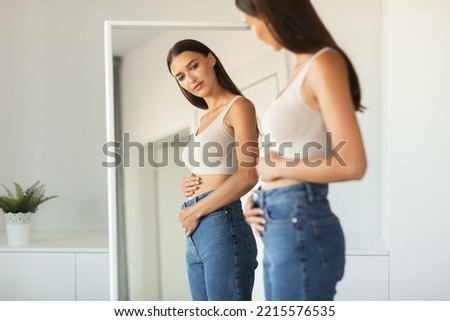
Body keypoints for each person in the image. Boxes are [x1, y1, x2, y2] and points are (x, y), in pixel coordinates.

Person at [231, 0, 368, 301]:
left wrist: (278, 169)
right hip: (279, 219)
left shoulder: (324, 62)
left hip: (299, 220)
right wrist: (260, 199)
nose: (252, 33)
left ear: (270, 12)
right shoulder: (300, 67)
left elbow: (353, 163)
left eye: (249, 24)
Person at [166, 39, 259, 301]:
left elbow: (248, 175)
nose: (190, 79)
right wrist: (190, 185)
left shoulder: (239, 106)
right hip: (196, 231)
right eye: (181, 76)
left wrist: (196, 209)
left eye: (193, 66)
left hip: (220, 220)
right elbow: (214, 168)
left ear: (211, 59)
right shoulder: (204, 118)